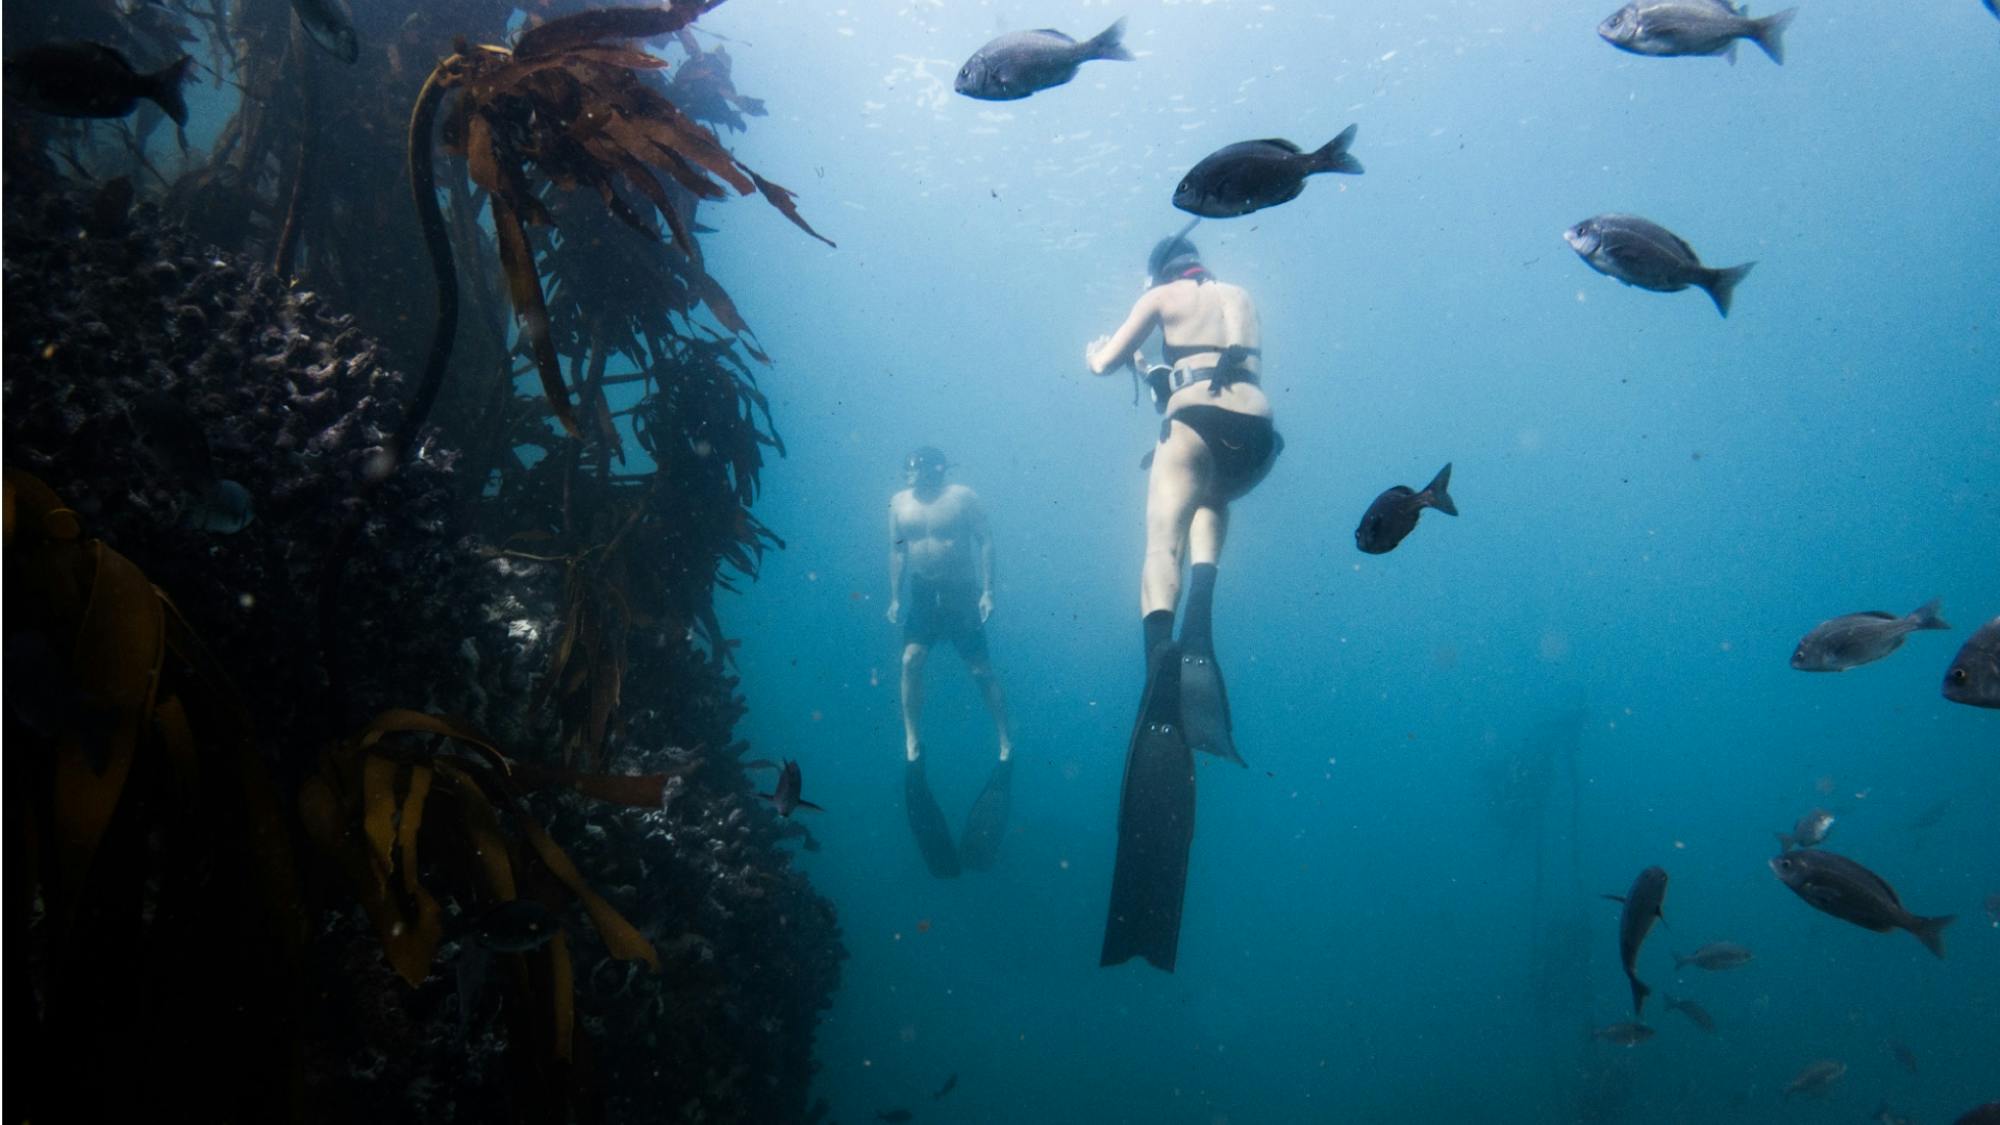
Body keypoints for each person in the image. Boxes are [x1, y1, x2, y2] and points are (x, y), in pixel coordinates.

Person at [1083, 230, 1281, 971]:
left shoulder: (1160, 294)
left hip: (1195, 421)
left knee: (1157, 535)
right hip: (1257, 438)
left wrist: (1101, 352)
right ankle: (1202, 618)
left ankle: (1158, 664)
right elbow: (1220, 377)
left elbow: (1106, 365)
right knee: (1209, 493)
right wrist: (1159, 374)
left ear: (1159, 272)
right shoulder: (1242, 298)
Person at [886, 446, 1015, 877]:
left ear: (939, 470)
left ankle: (1004, 742)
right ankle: (911, 743)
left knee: (981, 671)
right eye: (914, 470)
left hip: (961, 595)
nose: (919, 477)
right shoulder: (899, 504)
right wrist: (894, 596)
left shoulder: (962, 498)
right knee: (910, 662)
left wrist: (988, 591)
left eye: (926, 470)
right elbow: (899, 550)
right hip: (924, 596)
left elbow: (987, 539)